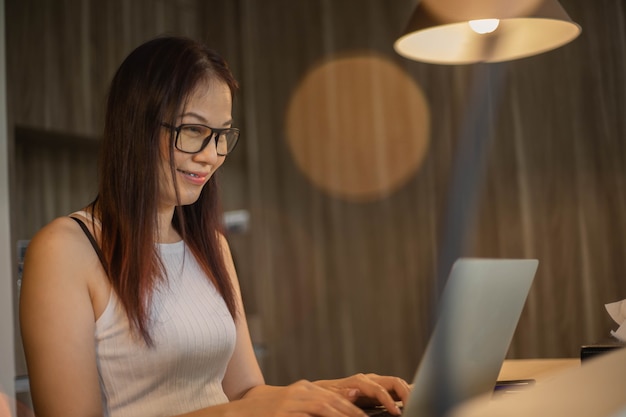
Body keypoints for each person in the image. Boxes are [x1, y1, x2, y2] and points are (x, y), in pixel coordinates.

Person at [19, 35, 411, 417]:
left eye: (221, 134)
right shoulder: (64, 249)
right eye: (193, 130)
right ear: (136, 127)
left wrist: (340, 391)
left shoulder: (212, 247)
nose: (211, 155)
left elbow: (245, 392)